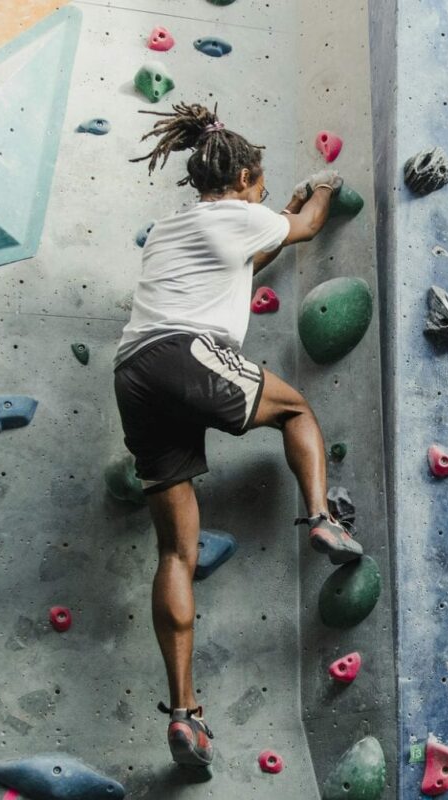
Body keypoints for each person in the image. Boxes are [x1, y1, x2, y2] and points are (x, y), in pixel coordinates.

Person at [114, 102, 362, 767]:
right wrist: (324, 188)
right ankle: (320, 518)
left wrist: (270, 221)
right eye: (261, 181)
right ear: (249, 175)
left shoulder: (173, 228)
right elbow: (305, 225)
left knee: (174, 553)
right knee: (296, 410)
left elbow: (239, 261)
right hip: (184, 353)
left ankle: (186, 715)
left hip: (133, 373)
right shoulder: (246, 215)